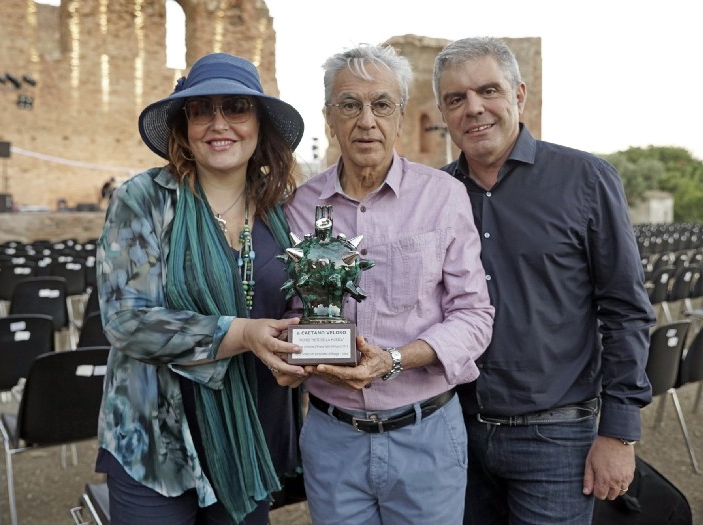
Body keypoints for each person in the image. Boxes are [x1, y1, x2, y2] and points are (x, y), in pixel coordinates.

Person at [432, 37, 655, 524]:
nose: (473, 108)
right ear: (444, 113)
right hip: (453, 435)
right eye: (455, 99)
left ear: (519, 95)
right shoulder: (435, 195)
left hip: (556, 440)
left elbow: (626, 310)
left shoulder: (586, 179)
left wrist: (618, 433)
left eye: (488, 90)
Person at [279, 43, 495, 524]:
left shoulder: (443, 197)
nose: (366, 120)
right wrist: (289, 354)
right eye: (349, 105)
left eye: (381, 105)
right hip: (333, 440)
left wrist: (394, 360)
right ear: (329, 117)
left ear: (400, 116)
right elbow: (293, 308)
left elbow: (475, 316)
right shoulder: (296, 206)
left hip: (426, 436)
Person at [94, 52, 309, 525]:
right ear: (184, 125)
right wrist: (243, 334)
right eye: (200, 109)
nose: (218, 123)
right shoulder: (144, 198)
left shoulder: (279, 209)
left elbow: (295, 302)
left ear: (259, 123)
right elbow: (126, 320)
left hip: (248, 435)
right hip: (158, 441)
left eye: (235, 106)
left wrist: (304, 349)